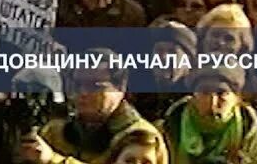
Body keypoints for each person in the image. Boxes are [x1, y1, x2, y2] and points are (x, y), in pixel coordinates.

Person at [26, 62, 158, 164]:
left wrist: (53, 160)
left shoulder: (142, 137)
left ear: (120, 88)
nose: (83, 93)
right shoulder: (54, 131)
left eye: (94, 86)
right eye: (77, 85)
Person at [158, 68, 257, 164]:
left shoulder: (253, 140)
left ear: (236, 99)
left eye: (221, 93)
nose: (213, 102)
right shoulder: (166, 132)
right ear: (193, 97)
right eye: (204, 92)